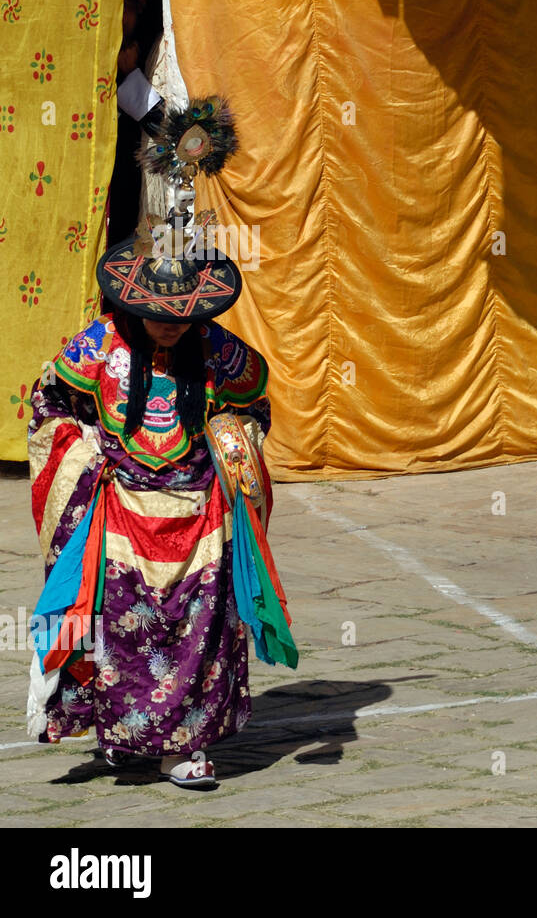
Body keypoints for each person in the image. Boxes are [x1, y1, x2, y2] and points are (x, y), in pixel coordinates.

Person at [26, 188, 294, 789]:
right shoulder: (98, 346)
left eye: (181, 319)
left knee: (200, 635)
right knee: (121, 629)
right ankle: (125, 737)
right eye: (156, 317)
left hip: (202, 515)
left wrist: (234, 440)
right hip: (120, 512)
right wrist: (86, 450)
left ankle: (188, 748)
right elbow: (48, 404)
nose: (169, 329)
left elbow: (255, 410)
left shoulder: (223, 354)